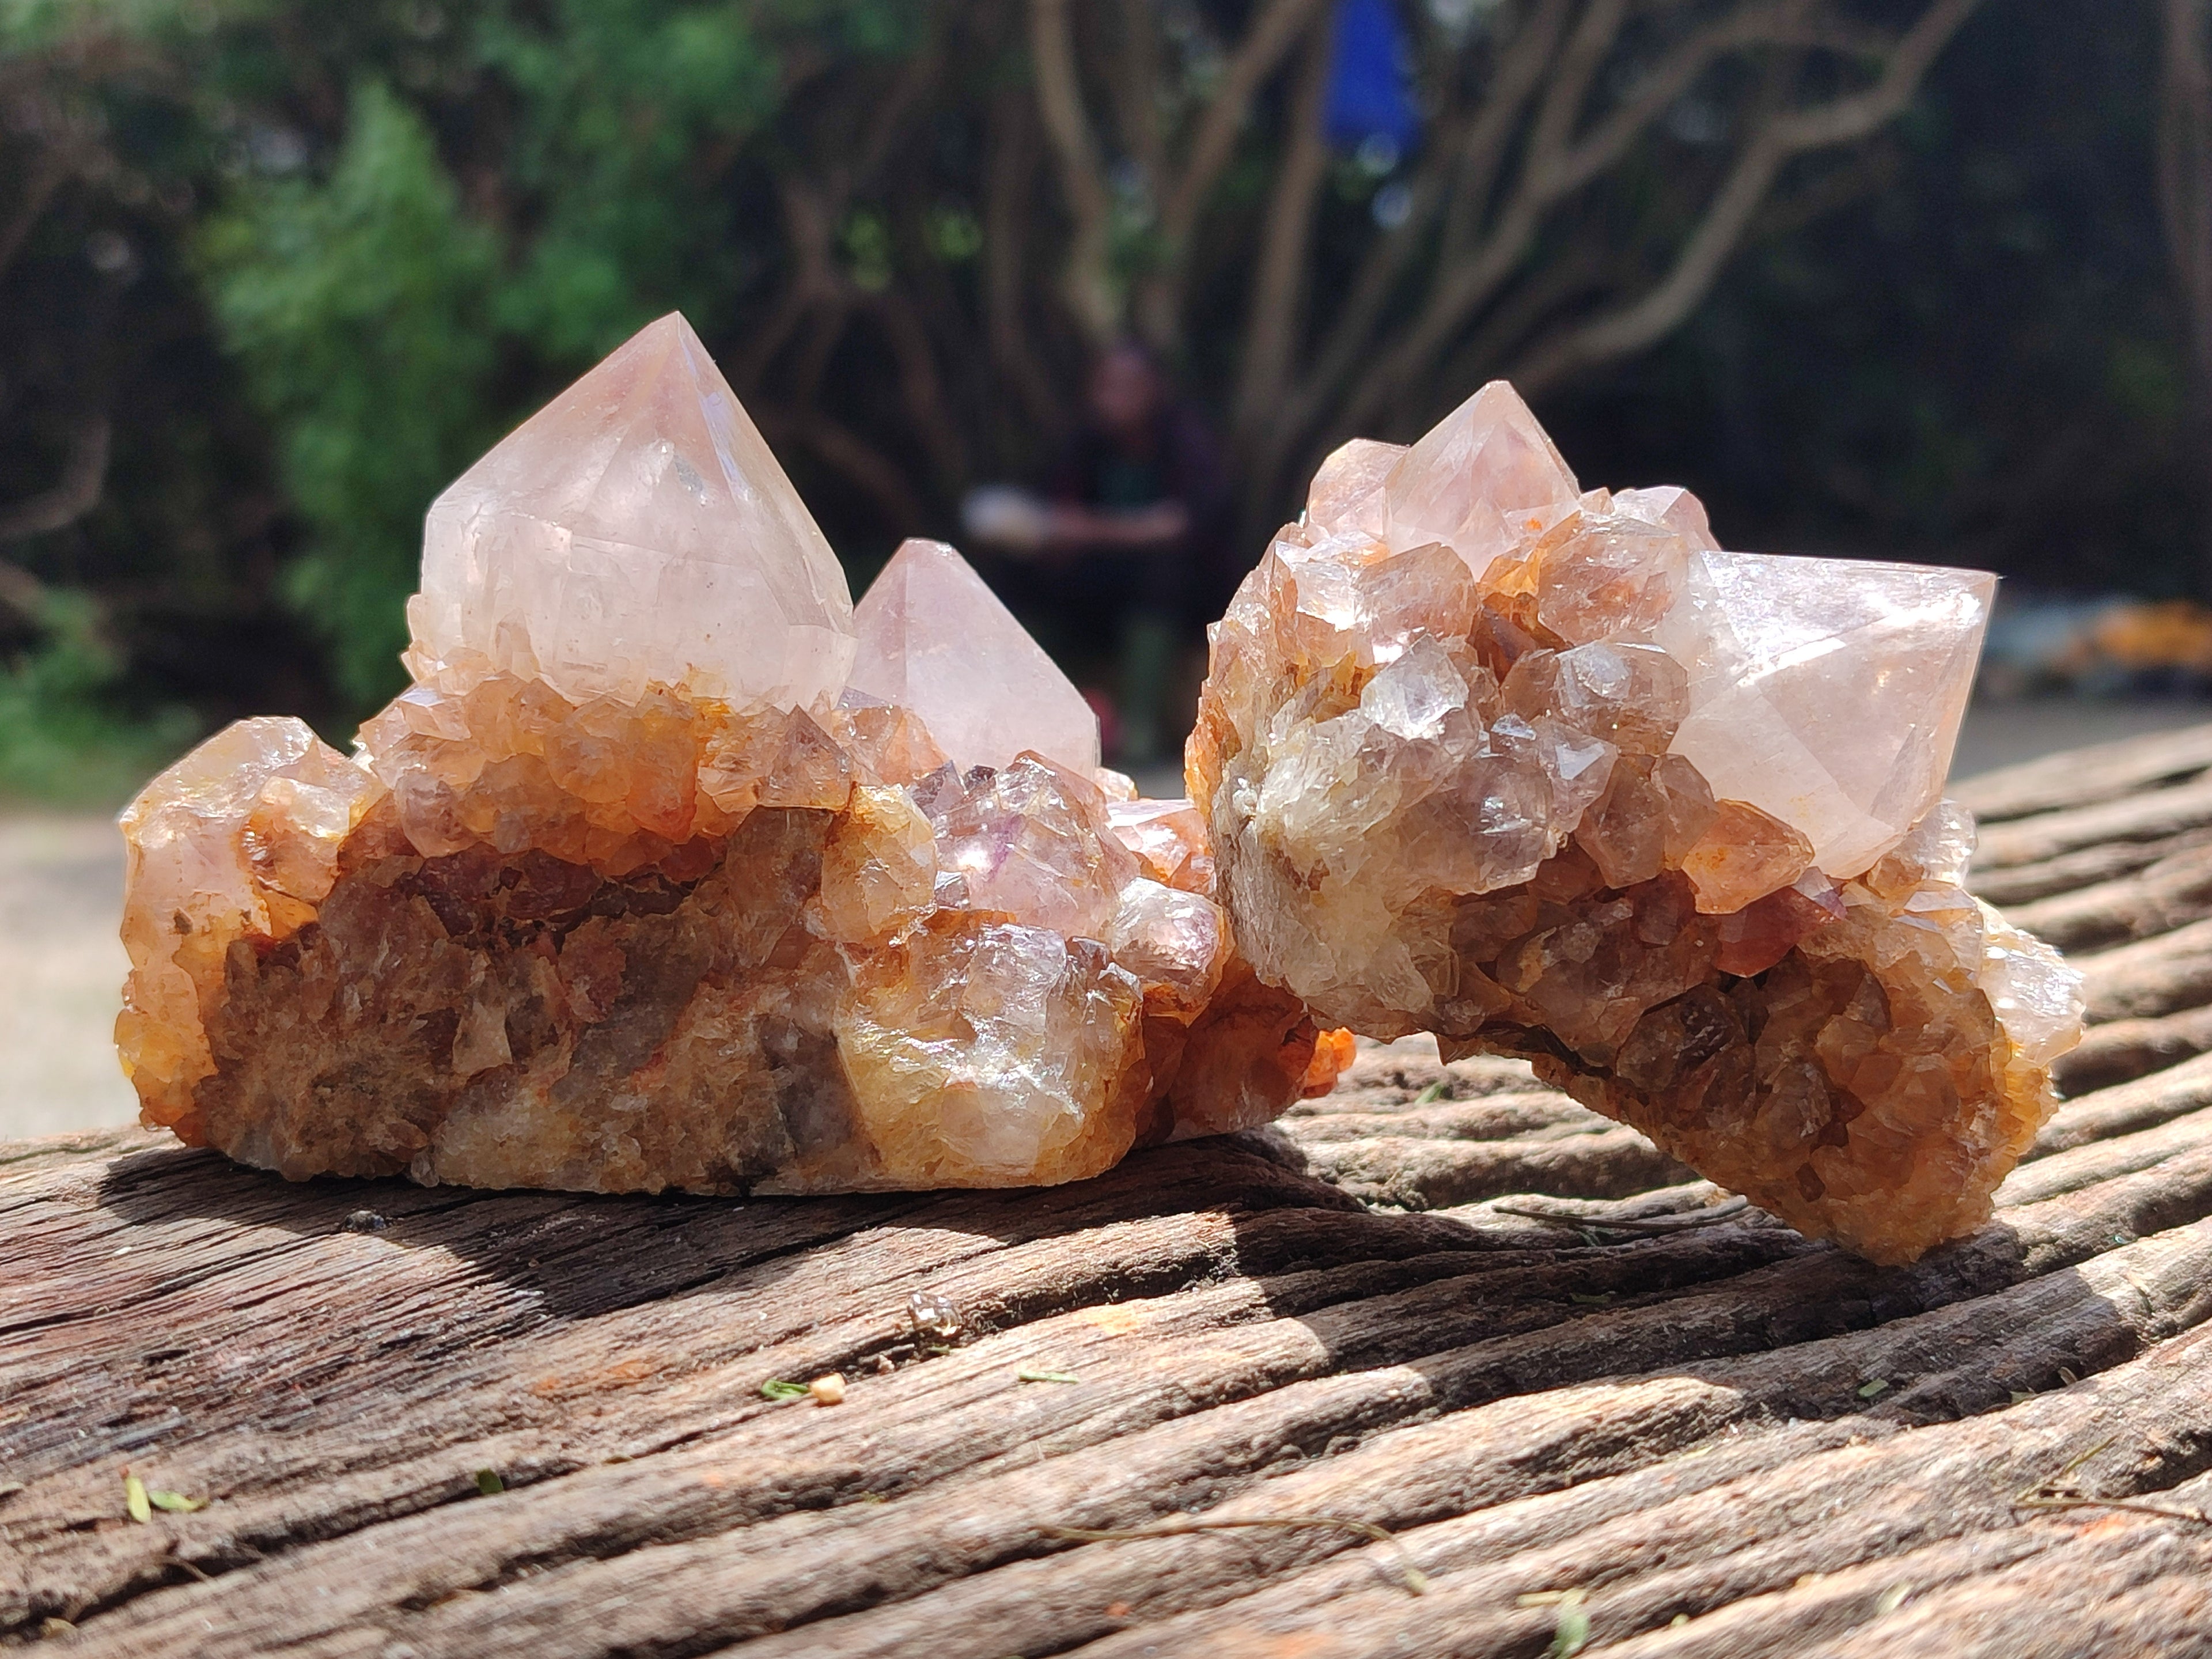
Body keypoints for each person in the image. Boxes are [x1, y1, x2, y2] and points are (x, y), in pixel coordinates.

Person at [965, 341, 1233, 767]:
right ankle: (1021, 716)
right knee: (1020, 581)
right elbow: (1055, 514)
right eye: (1108, 386)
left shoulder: (1185, 440)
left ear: (1155, 390)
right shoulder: (1085, 443)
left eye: (1129, 386)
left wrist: (1088, 530)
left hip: (1172, 588)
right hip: (1099, 581)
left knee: (1164, 579)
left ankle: (1141, 730)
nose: (1116, 398)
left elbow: (1181, 524)